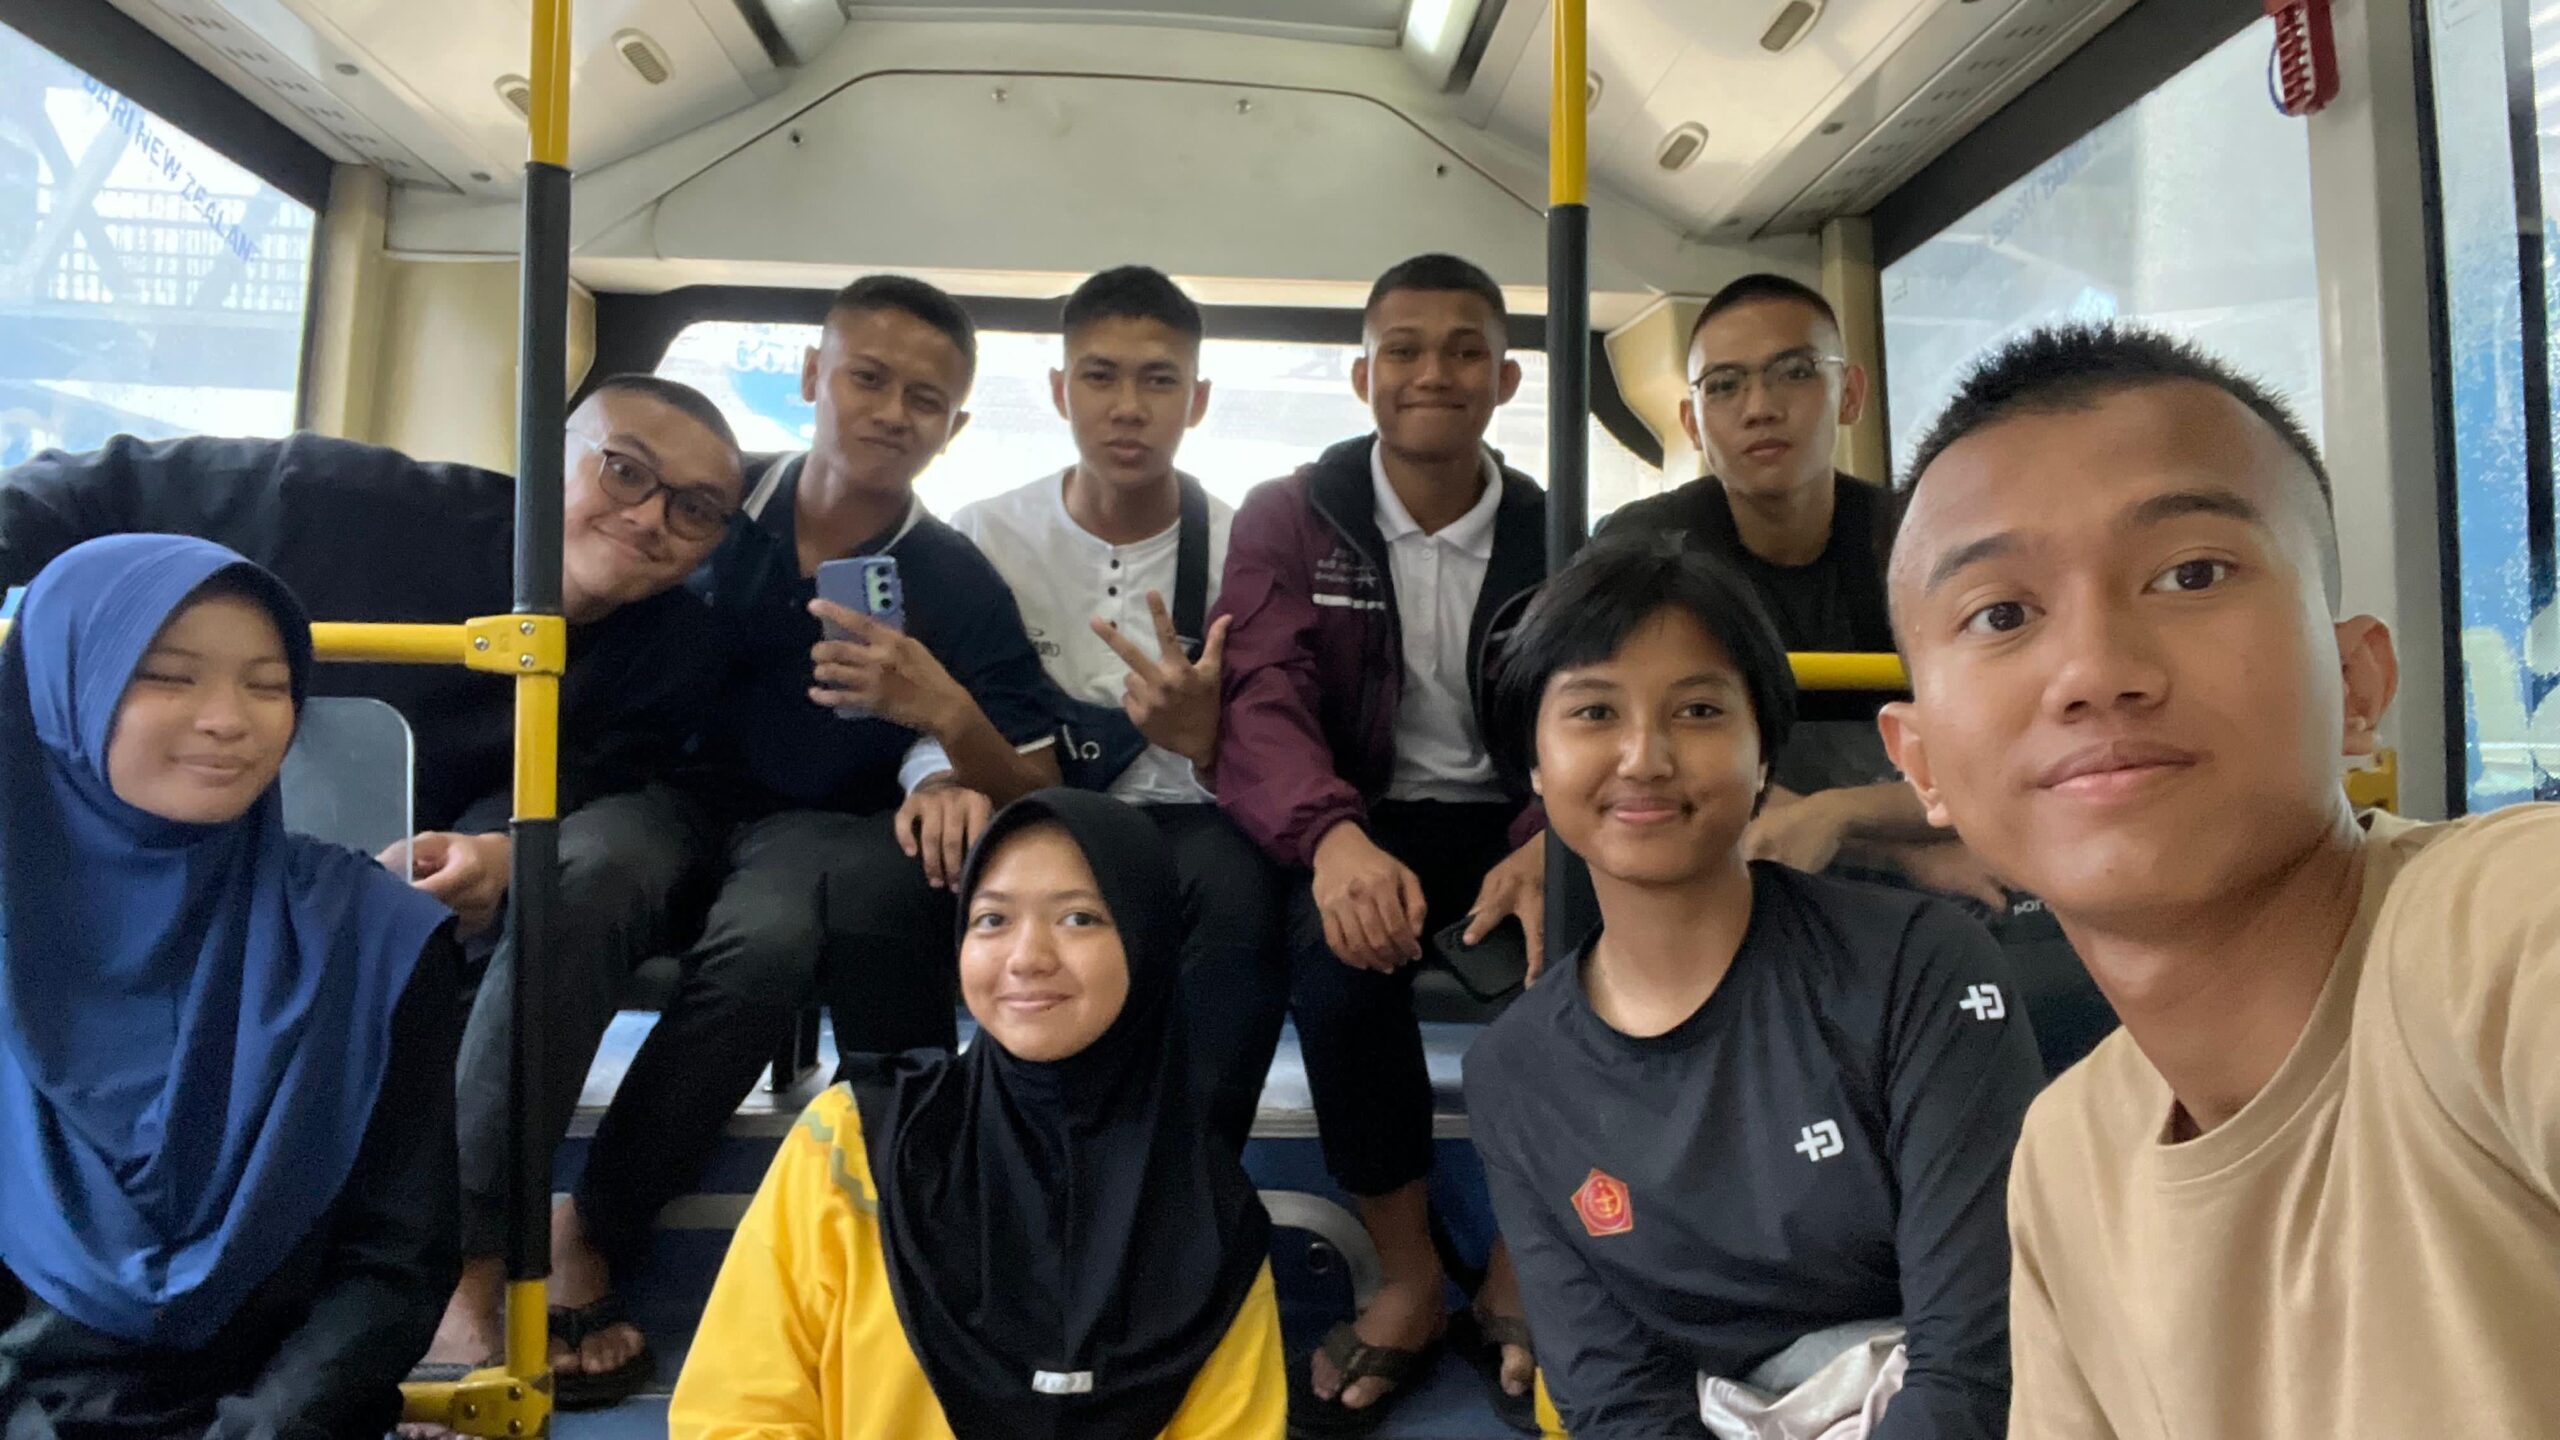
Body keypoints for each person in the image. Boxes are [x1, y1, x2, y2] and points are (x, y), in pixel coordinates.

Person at [1874, 323, 2560, 1437]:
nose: (2096, 671)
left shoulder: (2506, 936)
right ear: (1921, 766)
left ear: (2357, 682)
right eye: (2001, 614)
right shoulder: (2069, 1158)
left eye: (2191, 574)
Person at [544, 275, 1062, 1398]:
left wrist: (941, 718)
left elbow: (1036, 776)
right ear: (812, 376)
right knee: (576, 875)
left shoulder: (954, 578)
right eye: (868, 378)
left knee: (774, 938)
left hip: (818, 820)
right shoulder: (704, 507)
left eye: (926, 399)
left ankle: (594, 1222)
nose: (892, 412)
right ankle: (471, 1236)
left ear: (955, 426)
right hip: (656, 796)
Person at [1468, 536, 2038, 1440]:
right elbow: (1619, 1403)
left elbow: (1975, 1361)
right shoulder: (1516, 1073)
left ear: (1764, 753)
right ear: (1535, 763)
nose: (1644, 757)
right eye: (1593, 712)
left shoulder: (1920, 969)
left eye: (1698, 710)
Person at [0, 535, 459, 1439]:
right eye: (168, 677)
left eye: (269, 684)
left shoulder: (372, 936)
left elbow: (394, 1262)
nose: (228, 719)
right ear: (61, 692)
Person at [668, 789, 1285, 1439]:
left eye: (1079, 918)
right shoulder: (854, 1144)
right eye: (992, 920)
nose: (1027, 957)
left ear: (1148, 942)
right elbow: (736, 1413)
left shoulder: (1206, 1214)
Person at [1604, 272, 2106, 1071]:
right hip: (1739, 856)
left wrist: (1842, 816)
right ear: (1693, 421)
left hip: (1917, 836)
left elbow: (1998, 747)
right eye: (1725, 385)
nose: (1760, 407)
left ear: (1850, 395)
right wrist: (1893, 846)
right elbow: (1651, 754)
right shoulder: (1644, 552)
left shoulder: (1923, 541)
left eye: (1794, 372)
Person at [1213, 252, 1547, 1430]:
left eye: (1464, 350)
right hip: (1357, 811)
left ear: (1505, 378)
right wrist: (1331, 839)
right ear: (1363, 376)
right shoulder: (1289, 514)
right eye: (1402, 349)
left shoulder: (1561, 533)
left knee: (1585, 970)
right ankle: (1406, 1275)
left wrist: (1554, 840)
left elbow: (1594, 700)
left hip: (1519, 818)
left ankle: (1519, 1265)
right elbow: (1260, 693)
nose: (1432, 373)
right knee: (1337, 966)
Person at [947, 264, 1287, 1154]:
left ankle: (1194, 1168)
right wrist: (936, 776)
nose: (1128, 408)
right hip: (1031, 802)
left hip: (1185, 814)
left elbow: (1272, 733)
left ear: (1197, 401)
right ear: (1061, 390)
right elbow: (942, 698)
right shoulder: (985, 536)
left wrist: (1205, 744)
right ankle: (985, 1154)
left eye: (1158, 381)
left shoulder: (1243, 546)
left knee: (1238, 895)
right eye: (1100, 377)